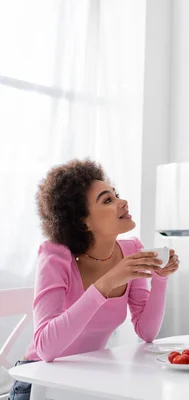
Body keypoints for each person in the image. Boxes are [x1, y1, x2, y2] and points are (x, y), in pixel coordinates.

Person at [9, 159, 179, 400]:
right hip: (39, 384)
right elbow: (46, 348)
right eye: (107, 200)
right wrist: (107, 283)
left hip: (86, 382)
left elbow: (147, 332)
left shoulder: (131, 251)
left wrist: (160, 279)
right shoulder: (56, 255)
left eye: (116, 195)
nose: (123, 202)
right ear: (83, 221)